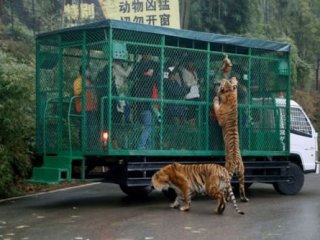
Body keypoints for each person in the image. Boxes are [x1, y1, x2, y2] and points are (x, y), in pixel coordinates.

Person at [131, 55, 159, 150]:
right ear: (147, 70)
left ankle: (148, 147)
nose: (153, 71)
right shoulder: (151, 80)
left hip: (139, 107)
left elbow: (133, 92)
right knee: (148, 128)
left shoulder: (138, 80)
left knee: (147, 128)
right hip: (148, 107)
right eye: (151, 69)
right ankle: (142, 146)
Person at [73, 65, 98, 150]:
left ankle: (89, 145)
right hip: (82, 108)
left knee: (90, 127)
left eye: (89, 71)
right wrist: (85, 88)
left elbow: (93, 94)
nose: (89, 72)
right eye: (88, 70)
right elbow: (77, 92)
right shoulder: (78, 81)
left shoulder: (89, 81)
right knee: (83, 127)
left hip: (90, 108)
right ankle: (82, 145)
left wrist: (95, 104)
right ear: (83, 71)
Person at [112, 59, 133, 123]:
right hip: (118, 89)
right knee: (124, 106)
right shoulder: (116, 66)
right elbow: (126, 74)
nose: (122, 61)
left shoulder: (118, 66)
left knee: (125, 105)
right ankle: (126, 121)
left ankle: (126, 120)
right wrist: (130, 66)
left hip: (120, 90)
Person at [181, 60, 201, 125]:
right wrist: (195, 82)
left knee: (195, 109)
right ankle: (190, 123)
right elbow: (187, 84)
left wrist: (198, 83)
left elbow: (197, 81)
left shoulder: (194, 71)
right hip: (189, 94)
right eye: (190, 63)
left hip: (196, 93)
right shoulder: (184, 71)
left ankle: (193, 122)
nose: (192, 64)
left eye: (192, 63)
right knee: (191, 109)